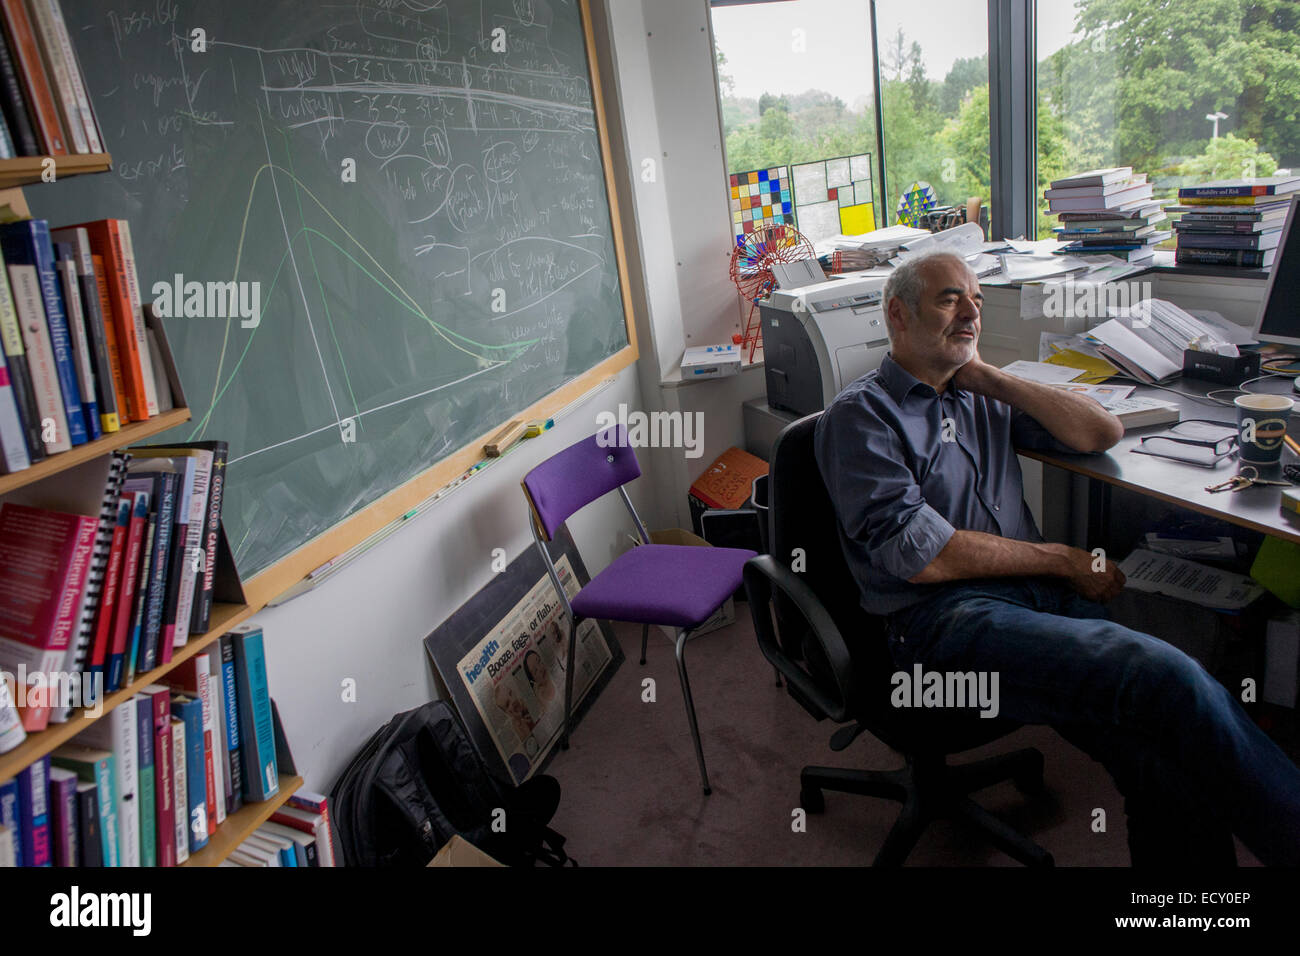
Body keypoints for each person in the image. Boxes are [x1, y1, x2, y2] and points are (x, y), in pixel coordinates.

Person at [813, 249, 1300, 866]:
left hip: (1034, 598)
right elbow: (922, 555)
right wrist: (1063, 559)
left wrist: (991, 378)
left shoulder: (980, 396)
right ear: (898, 315)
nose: (970, 313)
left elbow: (1101, 433)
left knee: (1159, 752)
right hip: (940, 625)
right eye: (949, 299)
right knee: (1167, 676)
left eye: (977, 301)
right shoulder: (861, 418)